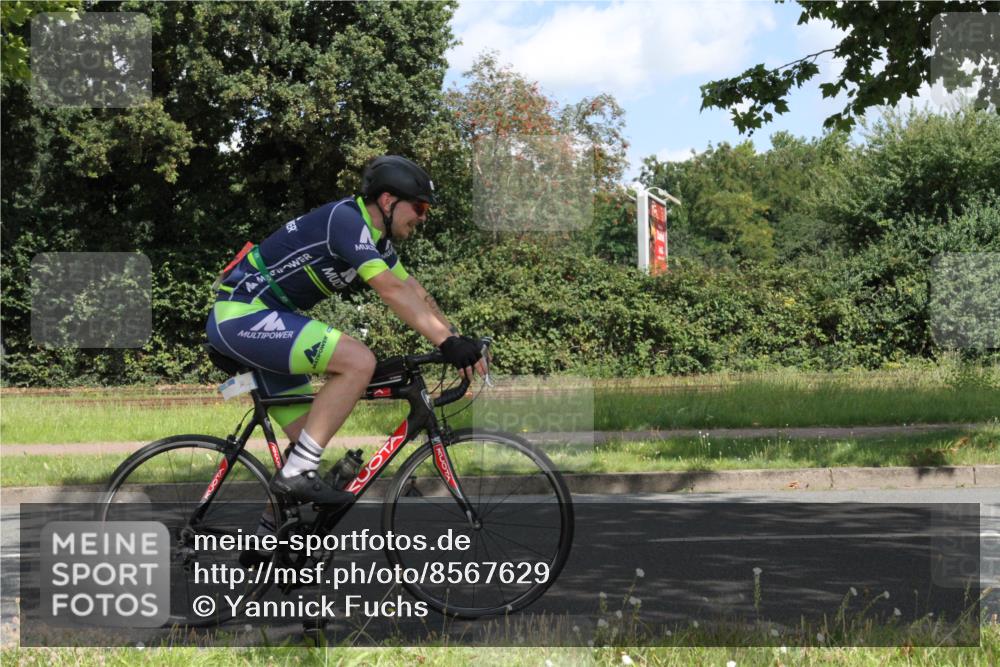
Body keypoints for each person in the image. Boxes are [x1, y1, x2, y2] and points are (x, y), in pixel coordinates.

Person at [205, 155, 486, 510]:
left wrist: (455, 336)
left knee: (307, 450)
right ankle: (297, 472)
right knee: (357, 361)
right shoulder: (347, 220)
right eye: (419, 206)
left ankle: (268, 545)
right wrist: (445, 342)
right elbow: (390, 290)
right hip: (241, 315)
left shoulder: (378, 243)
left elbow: (413, 290)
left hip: (266, 321)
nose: (423, 216)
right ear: (388, 200)